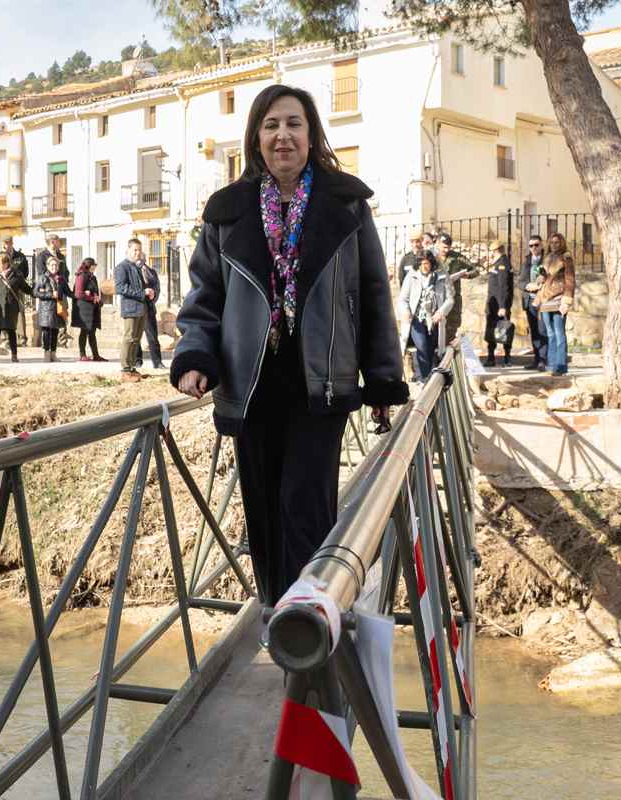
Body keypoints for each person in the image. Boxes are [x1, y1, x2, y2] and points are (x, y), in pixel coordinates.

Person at [170, 84, 408, 608]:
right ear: (256, 136)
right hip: (250, 386)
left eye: (294, 125)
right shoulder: (226, 212)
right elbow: (204, 297)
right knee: (263, 510)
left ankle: (310, 624)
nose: (283, 136)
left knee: (306, 503)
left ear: (311, 134)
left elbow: (372, 295)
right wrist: (194, 358)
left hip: (319, 383)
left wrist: (383, 380)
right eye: (272, 125)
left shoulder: (346, 204)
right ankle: (278, 613)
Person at [398, 254, 454, 381]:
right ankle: (425, 378)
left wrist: (441, 312)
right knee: (421, 346)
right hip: (416, 319)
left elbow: (450, 299)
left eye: (427, 263)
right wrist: (406, 311)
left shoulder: (442, 276)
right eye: (421, 264)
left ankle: (428, 377)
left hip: (434, 320)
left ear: (431, 264)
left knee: (430, 349)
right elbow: (402, 299)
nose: (424, 266)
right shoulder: (412, 277)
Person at [535, 232, 575, 377]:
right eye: (552, 242)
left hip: (559, 299)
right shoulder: (547, 258)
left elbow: (570, 280)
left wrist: (567, 300)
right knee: (550, 334)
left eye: (557, 242)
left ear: (562, 243)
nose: (554, 245)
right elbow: (545, 279)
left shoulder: (566, 258)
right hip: (546, 300)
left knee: (559, 333)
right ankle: (551, 366)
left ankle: (560, 365)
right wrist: (539, 279)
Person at [433, 233, 479, 347]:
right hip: (436, 298)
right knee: (434, 329)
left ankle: (447, 358)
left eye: (449, 247)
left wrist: (466, 275)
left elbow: (476, 270)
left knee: (451, 328)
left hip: (453, 297)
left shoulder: (457, 257)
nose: (446, 249)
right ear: (437, 243)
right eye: (444, 247)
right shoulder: (431, 257)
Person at [114, 238, 150, 382]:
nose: (137, 253)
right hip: (130, 308)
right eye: (135, 250)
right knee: (128, 338)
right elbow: (120, 288)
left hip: (140, 307)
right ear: (128, 250)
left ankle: (132, 368)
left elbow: (139, 287)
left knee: (136, 339)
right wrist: (142, 293)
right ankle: (125, 370)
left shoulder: (136, 267)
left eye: (139, 250)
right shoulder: (122, 267)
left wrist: (148, 292)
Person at [0, 252, 31, 363]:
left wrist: (38, 292)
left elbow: (26, 288)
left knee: (12, 331)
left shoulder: (16, 276)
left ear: (6, 264)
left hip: (11, 308)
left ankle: (14, 355)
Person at [520, 235, 549, 371]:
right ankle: (536, 359)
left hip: (543, 300)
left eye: (536, 245)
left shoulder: (547, 259)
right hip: (529, 300)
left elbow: (551, 278)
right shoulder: (527, 260)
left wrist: (539, 286)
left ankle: (543, 360)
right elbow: (520, 281)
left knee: (542, 329)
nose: (533, 248)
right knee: (534, 331)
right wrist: (528, 286)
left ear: (541, 245)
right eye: (531, 245)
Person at [32, 235, 68, 347]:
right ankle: (46, 345)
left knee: (61, 313)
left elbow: (65, 271)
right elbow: (41, 273)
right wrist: (50, 287)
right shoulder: (42, 256)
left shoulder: (61, 256)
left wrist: (63, 282)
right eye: (58, 241)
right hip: (48, 290)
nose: (60, 243)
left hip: (60, 288)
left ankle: (61, 341)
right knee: (47, 318)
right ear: (52, 242)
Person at [483, 242, 514, 367]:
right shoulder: (497, 263)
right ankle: (491, 357)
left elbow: (503, 287)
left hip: (499, 305)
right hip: (493, 304)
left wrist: (502, 306)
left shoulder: (502, 264)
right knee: (491, 331)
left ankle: (507, 358)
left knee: (504, 329)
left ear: (495, 251)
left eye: (490, 251)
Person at [35, 255, 71, 362]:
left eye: (56, 265)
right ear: (47, 266)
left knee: (55, 331)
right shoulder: (43, 278)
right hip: (46, 309)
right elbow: (35, 292)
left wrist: (80, 294)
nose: (54, 267)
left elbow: (69, 292)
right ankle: (46, 353)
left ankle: (53, 354)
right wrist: (50, 294)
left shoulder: (61, 279)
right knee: (46, 331)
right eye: (52, 265)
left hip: (57, 309)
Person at [72, 257, 105, 362]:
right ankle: (82, 354)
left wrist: (98, 300)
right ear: (89, 266)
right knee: (84, 331)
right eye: (94, 265)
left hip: (93, 309)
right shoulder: (82, 276)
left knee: (92, 332)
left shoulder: (92, 277)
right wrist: (91, 297)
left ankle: (96, 355)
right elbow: (78, 293)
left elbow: (94, 292)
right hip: (84, 309)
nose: (95, 267)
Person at [135, 257, 164, 370]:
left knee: (153, 336)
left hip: (149, 307)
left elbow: (157, 287)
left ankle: (157, 362)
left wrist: (154, 296)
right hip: (137, 306)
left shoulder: (151, 272)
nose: (141, 258)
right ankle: (137, 361)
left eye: (142, 256)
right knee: (136, 336)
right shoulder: (132, 270)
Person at [2, 236, 31, 345]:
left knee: (20, 311)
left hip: (18, 288)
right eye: (4, 244)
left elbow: (26, 272)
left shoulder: (20, 256)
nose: (6, 246)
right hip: (3, 288)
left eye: (8, 243)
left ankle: (22, 338)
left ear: (12, 243)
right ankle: (6, 338)